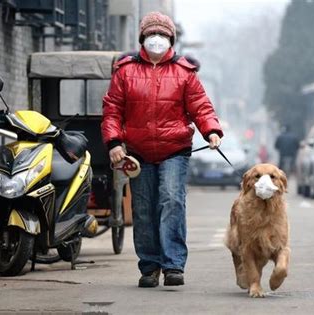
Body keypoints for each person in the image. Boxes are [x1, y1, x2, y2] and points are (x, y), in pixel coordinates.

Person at [101, 11, 223, 287]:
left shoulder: (184, 72)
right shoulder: (125, 71)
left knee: (171, 201)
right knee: (143, 209)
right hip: (137, 152)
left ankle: (173, 265)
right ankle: (149, 266)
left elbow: (201, 107)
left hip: (174, 150)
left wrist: (212, 131)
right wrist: (114, 142)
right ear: (142, 38)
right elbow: (112, 111)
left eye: (163, 35)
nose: (157, 39)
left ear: (171, 39)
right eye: (151, 34)